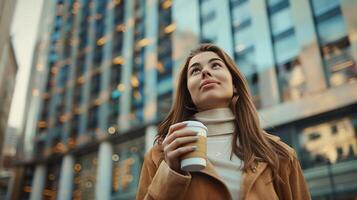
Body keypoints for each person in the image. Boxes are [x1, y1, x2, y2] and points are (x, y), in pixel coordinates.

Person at [136, 44, 311, 200]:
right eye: (195, 71)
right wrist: (172, 173)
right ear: (188, 93)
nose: (205, 72)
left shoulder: (279, 154)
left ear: (234, 84)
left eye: (216, 65)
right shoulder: (160, 155)